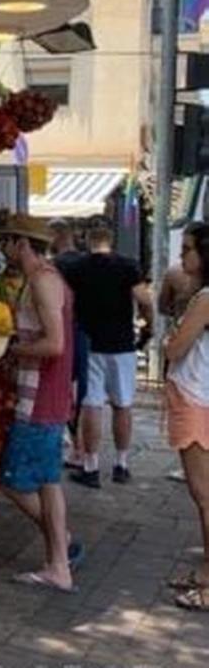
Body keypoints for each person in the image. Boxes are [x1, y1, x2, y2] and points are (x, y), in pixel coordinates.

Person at [0, 215, 78, 592]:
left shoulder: (43, 282)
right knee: (48, 482)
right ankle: (59, 563)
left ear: (22, 244)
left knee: (13, 481)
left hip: (40, 398)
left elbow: (55, 344)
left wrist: (15, 351)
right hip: (49, 396)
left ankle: (62, 549)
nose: (4, 248)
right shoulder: (44, 278)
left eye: (8, 241)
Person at [64, 222, 151, 487]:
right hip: (123, 345)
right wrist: (148, 330)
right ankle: (121, 465)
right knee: (122, 405)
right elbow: (145, 301)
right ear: (110, 239)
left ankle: (90, 467)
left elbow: (66, 304)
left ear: (87, 238)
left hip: (90, 345)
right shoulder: (128, 266)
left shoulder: (76, 268)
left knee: (92, 406)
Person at [163, 222, 209, 612]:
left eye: (188, 249)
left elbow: (176, 348)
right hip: (198, 395)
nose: (183, 257)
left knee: (204, 494)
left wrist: (167, 340)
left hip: (196, 397)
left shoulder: (206, 298)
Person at [50, 219, 88, 471]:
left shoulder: (57, 267)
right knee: (81, 390)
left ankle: (69, 441)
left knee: (63, 386)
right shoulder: (87, 262)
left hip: (65, 330)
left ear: (57, 236)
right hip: (86, 332)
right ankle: (81, 448)